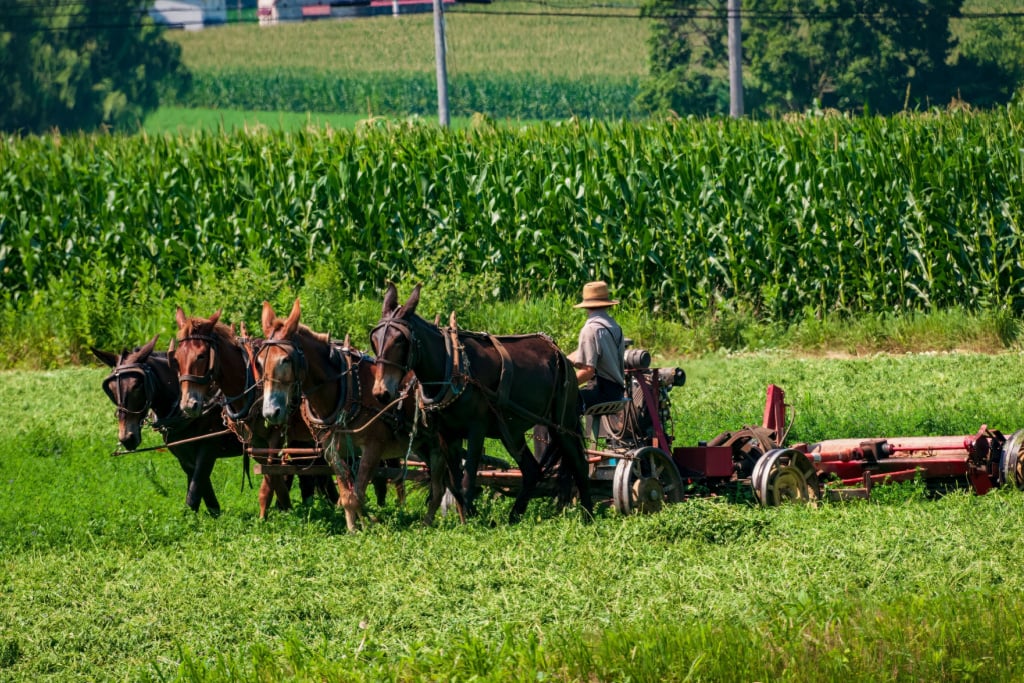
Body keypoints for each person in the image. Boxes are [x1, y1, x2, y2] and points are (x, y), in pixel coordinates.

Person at [571, 280, 626, 409]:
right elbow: (593, 352)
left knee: (554, 403)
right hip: (616, 391)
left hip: (600, 391)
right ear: (606, 304)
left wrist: (564, 385)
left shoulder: (590, 329)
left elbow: (588, 372)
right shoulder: (614, 326)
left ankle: (572, 430)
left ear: (586, 306)